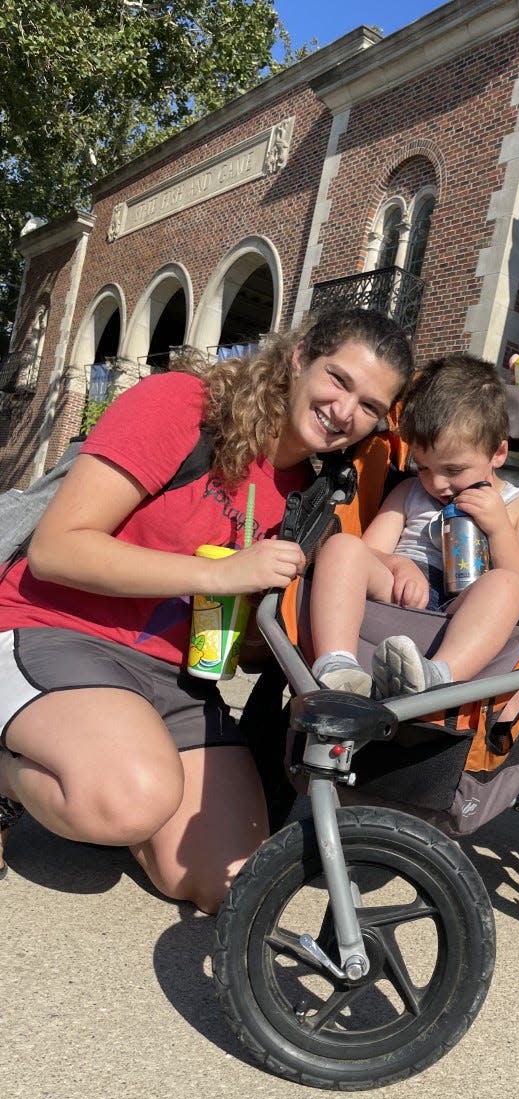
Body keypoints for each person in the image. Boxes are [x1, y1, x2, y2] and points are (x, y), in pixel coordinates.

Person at [0, 308, 414, 909]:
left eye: (371, 407)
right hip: (54, 628)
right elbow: (56, 549)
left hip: (173, 675)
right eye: (339, 379)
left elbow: (244, 643)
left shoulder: (313, 494)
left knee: (230, 883)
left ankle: (105, 769)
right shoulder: (183, 406)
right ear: (298, 358)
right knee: (127, 799)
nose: (346, 412)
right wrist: (219, 572)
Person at [308, 352, 519, 698]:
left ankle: (439, 675)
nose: (436, 484)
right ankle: (337, 663)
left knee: (506, 585)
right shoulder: (410, 492)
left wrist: (499, 530)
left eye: (453, 470)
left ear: (498, 454)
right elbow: (367, 550)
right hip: (398, 592)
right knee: (341, 546)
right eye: (422, 467)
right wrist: (399, 564)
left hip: (465, 606)